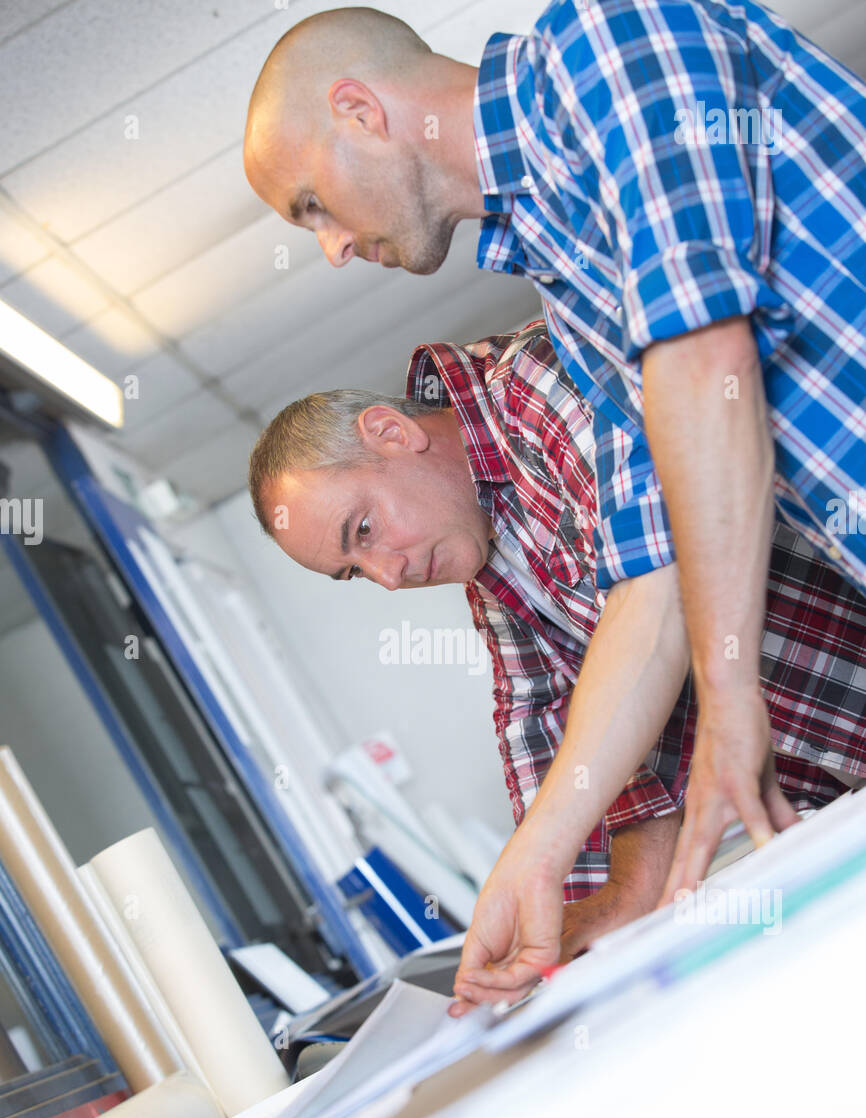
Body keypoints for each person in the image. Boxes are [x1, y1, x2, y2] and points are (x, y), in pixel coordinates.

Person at [242, 2, 866, 989]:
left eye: (311, 203)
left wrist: (732, 697)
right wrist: (535, 858)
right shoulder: (570, 299)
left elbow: (706, 356)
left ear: (358, 110)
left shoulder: (602, 44)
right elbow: (648, 580)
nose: (328, 247)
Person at [247, 321, 866, 1010]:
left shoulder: (538, 383)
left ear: (393, 433)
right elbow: (543, 725)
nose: (388, 578)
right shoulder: (487, 555)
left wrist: (538, 856)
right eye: (355, 572)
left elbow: (661, 592)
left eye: (363, 531)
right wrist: (573, 925)